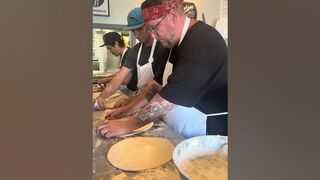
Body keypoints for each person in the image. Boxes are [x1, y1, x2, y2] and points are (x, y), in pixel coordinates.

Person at [96, 0, 228, 139]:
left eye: (154, 28)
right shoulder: (170, 44)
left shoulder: (202, 42)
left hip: (206, 132)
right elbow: (155, 86)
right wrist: (127, 110)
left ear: (172, 16)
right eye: (149, 29)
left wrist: (126, 125)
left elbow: (165, 102)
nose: (153, 35)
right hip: (177, 128)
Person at [94, 7, 170, 111]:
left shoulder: (163, 47)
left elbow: (157, 85)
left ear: (149, 25)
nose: (136, 35)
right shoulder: (135, 51)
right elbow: (120, 77)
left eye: (139, 29)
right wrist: (102, 96)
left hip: (157, 103)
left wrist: (131, 103)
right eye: (133, 31)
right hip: (139, 101)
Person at [93, 32, 137, 96]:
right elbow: (119, 74)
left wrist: (106, 80)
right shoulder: (123, 55)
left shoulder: (129, 54)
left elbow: (125, 80)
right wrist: (105, 79)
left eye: (110, 48)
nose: (110, 52)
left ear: (116, 43)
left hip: (132, 92)